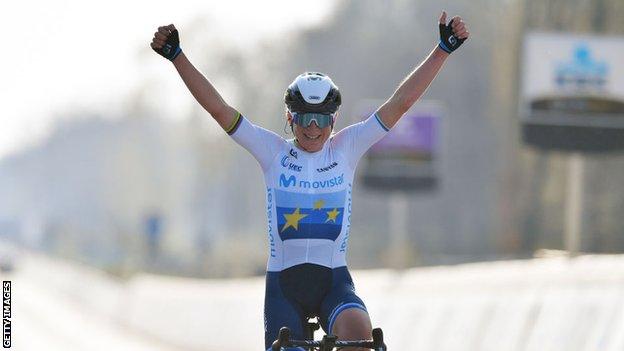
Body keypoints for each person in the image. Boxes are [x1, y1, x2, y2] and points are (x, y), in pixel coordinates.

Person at [151, 11, 468, 351]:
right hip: (284, 289)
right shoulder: (271, 151)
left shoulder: (347, 148)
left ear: (334, 118)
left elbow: (401, 103)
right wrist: (177, 57)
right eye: (304, 117)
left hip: (333, 282)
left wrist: (443, 49)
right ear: (290, 116)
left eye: (321, 119)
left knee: (363, 337)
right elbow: (219, 109)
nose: (313, 128)